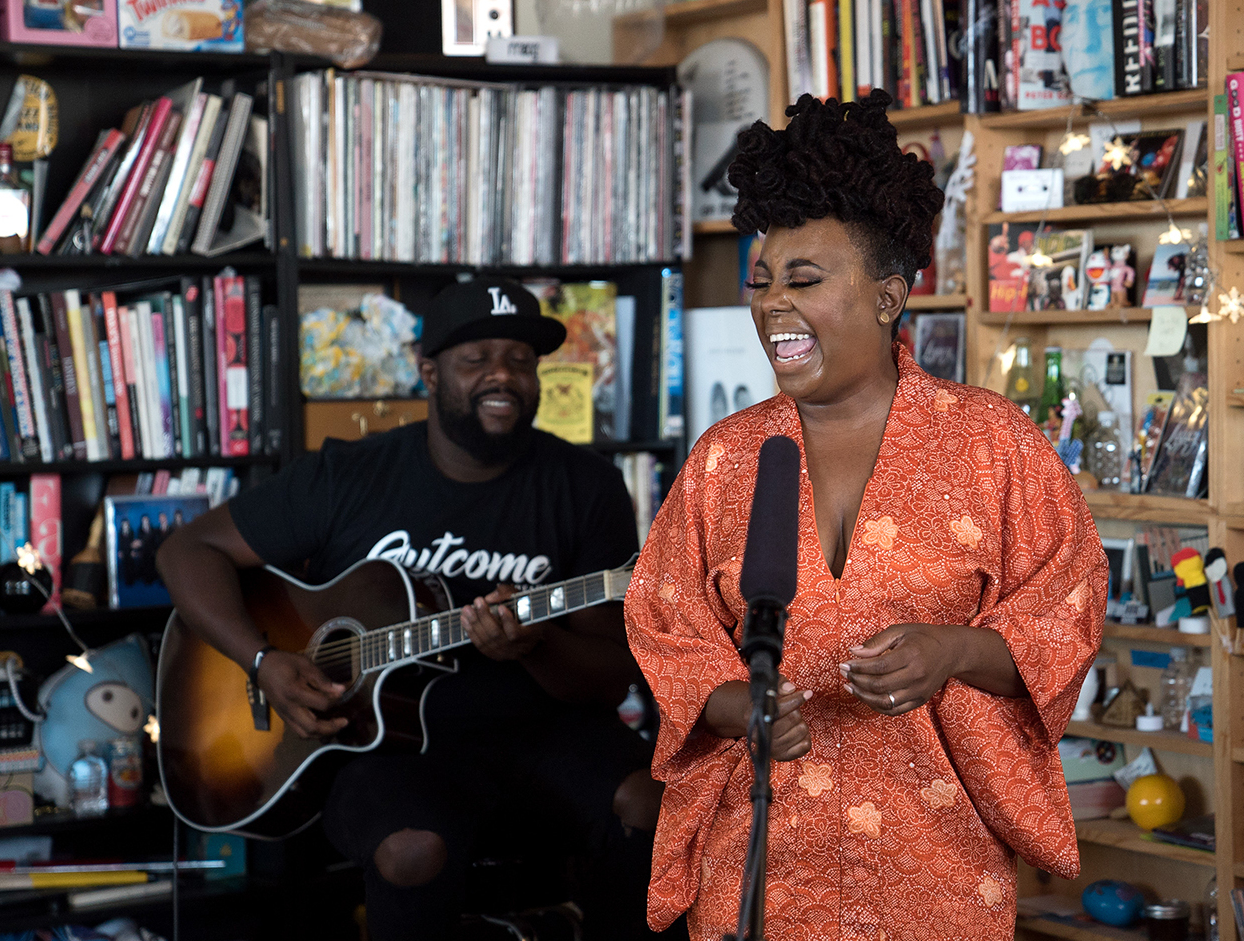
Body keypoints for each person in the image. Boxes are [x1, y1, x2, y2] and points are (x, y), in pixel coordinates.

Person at [623, 92, 1108, 940]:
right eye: (761, 282)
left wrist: (952, 649)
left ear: (888, 297)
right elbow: (666, 626)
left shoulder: (992, 443)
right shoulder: (724, 458)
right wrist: (741, 706)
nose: (773, 304)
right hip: (762, 862)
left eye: (804, 281)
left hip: (937, 867)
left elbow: (1063, 615)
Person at [157, 276, 667, 941]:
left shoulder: (587, 486)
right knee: (410, 849)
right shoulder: (348, 475)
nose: (503, 375)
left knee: (654, 806)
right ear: (428, 372)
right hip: (387, 753)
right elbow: (187, 550)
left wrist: (536, 645)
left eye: (520, 359)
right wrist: (262, 660)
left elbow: (608, 676)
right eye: (476, 358)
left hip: (544, 735)